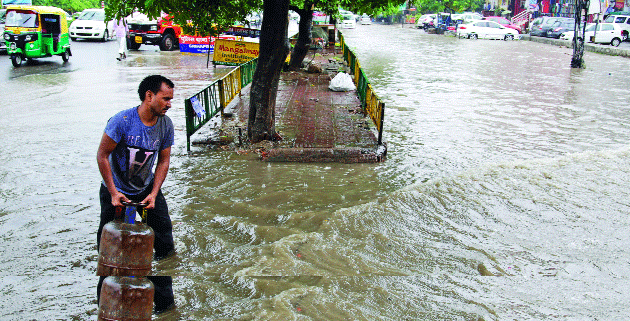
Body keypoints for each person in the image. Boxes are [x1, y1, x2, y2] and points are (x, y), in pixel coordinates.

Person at [96, 75, 176, 314]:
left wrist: (154, 193)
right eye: (166, 98)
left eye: (171, 99)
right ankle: (106, 305)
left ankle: (165, 308)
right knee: (111, 249)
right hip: (115, 190)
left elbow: (163, 160)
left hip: (146, 190)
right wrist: (113, 192)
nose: (169, 104)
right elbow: (102, 156)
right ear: (149, 96)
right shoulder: (121, 121)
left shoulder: (166, 124)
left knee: (164, 247)